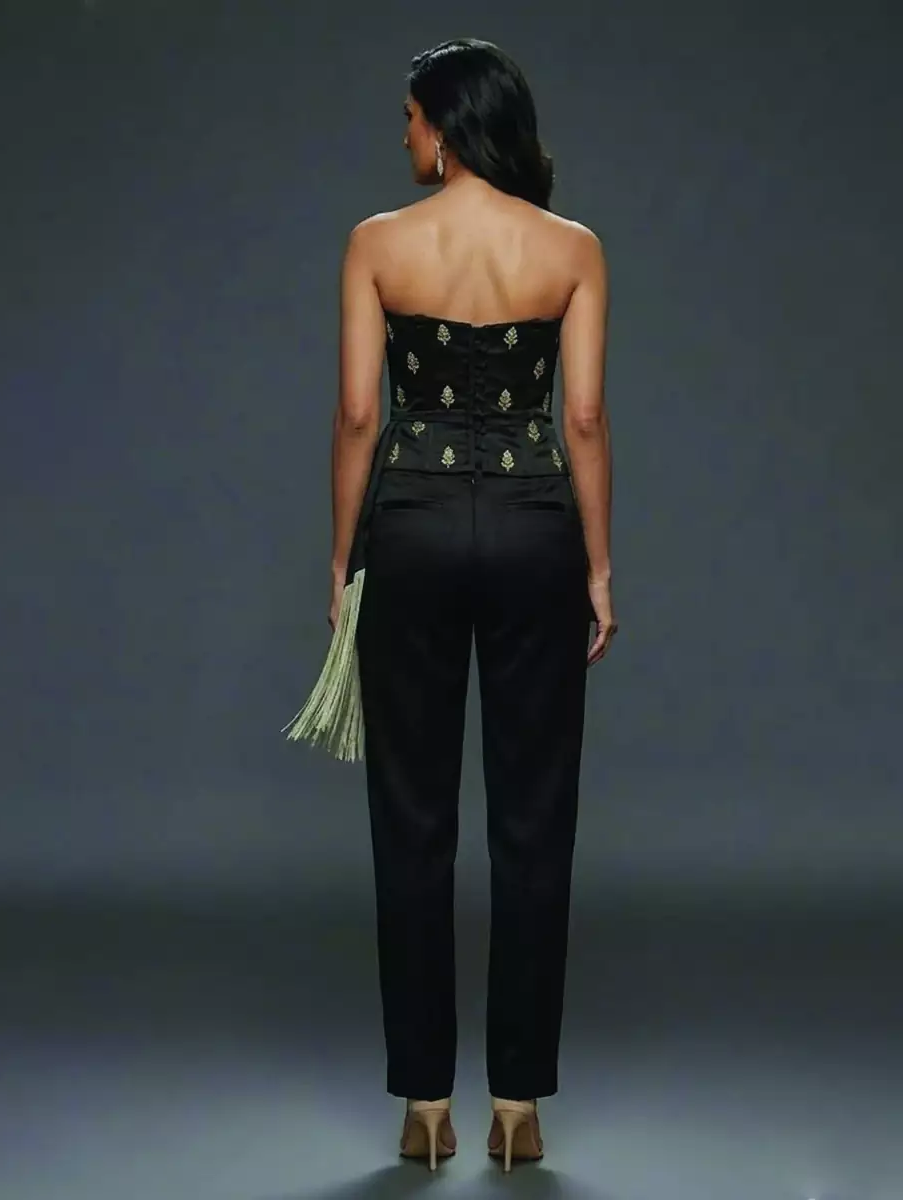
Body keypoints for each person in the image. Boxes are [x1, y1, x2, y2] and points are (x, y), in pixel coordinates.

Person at [290, 37, 616, 1172]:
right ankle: (517, 1107)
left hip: (415, 531)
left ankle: (424, 1105)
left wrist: (343, 558)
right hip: (533, 530)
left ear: (443, 124)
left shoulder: (378, 243)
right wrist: (599, 568)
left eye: (410, 117)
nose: (403, 136)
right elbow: (582, 419)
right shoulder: (572, 249)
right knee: (533, 821)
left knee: (412, 820)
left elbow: (356, 415)